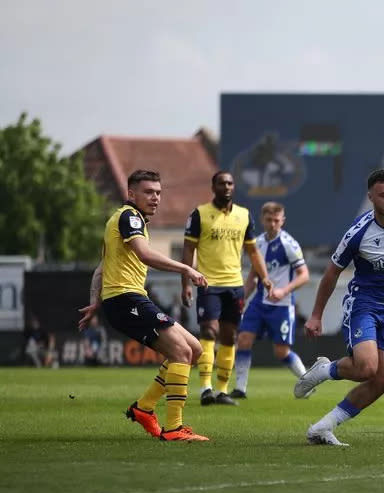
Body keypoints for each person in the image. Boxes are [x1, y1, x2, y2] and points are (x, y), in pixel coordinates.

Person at [294, 168, 384, 446]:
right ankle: (324, 370)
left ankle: (323, 427)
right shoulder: (358, 233)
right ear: (371, 197)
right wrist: (317, 315)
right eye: (383, 195)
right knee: (367, 368)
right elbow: (331, 274)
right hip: (363, 304)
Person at [78, 169, 210, 442]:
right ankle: (173, 428)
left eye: (159, 192)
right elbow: (145, 254)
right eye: (149, 192)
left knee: (194, 350)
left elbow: (101, 268)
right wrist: (186, 268)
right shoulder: (129, 217)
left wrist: (94, 302)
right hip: (127, 299)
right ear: (131, 194)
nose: (155, 198)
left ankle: (144, 408)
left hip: (127, 299)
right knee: (182, 352)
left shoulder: (124, 220)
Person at [182, 171, 274, 406]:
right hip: (208, 283)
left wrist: (265, 278)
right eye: (222, 183)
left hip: (235, 286)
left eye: (230, 183)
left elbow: (253, 251)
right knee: (209, 332)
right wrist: (186, 282)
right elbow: (188, 250)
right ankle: (205, 388)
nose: (227, 186)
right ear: (213, 186)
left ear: (234, 187)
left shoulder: (244, 215)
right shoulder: (199, 214)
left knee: (229, 337)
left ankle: (222, 391)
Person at [231, 202, 310, 398]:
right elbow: (253, 276)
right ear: (262, 220)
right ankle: (240, 388)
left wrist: (284, 291)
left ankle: (308, 381)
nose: (273, 224)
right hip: (259, 302)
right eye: (269, 220)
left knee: (281, 352)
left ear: (282, 220)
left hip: (281, 306)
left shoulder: (289, 244)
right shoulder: (256, 243)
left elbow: (304, 275)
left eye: (277, 220)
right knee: (243, 340)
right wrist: (241, 299)